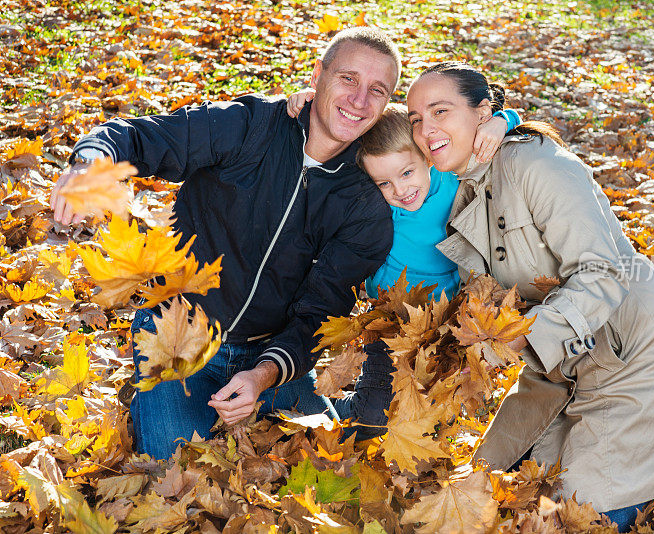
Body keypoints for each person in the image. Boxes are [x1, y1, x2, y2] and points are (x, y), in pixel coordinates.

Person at [405, 62, 654, 530]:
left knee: (588, 514)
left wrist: (524, 339)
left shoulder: (536, 163)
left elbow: (603, 273)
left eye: (440, 111)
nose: (426, 130)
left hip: (638, 350)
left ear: (482, 112)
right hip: (564, 363)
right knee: (510, 485)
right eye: (415, 119)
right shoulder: (462, 186)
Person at [49, 27, 402, 460]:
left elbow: (319, 313)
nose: (359, 101)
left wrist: (263, 374)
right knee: (174, 471)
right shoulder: (249, 126)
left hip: (268, 355)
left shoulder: (365, 202)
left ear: (387, 105)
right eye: (348, 79)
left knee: (333, 458)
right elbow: (143, 137)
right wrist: (90, 163)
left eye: (377, 90)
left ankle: (308, 403)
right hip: (179, 336)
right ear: (317, 76)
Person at [284, 96, 519, 435]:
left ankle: (372, 401)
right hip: (390, 318)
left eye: (407, 172)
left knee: (435, 406)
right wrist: (305, 106)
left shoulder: (452, 180)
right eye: (384, 183)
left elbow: (499, 131)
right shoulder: (377, 205)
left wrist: (502, 119)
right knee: (373, 421)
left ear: (427, 156)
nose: (400, 190)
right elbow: (323, 155)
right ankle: (348, 405)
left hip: (445, 317)